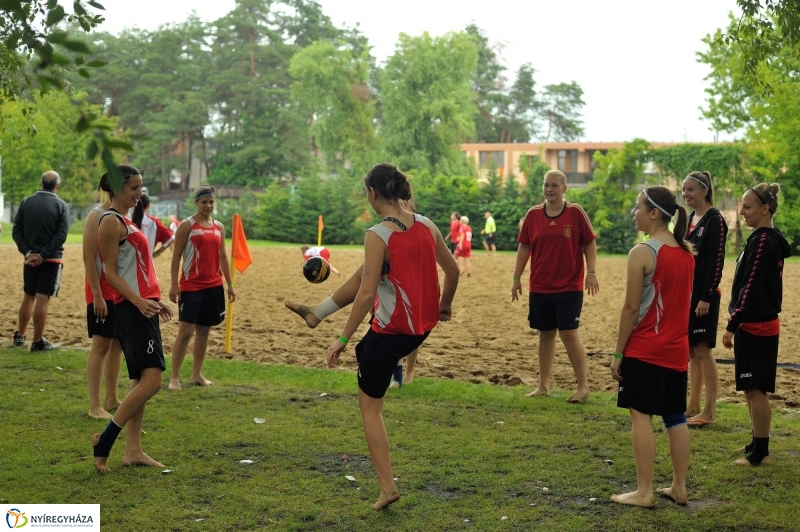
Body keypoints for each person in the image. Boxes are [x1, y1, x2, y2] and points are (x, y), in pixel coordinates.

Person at [325, 163, 459, 510]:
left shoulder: (377, 234)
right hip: (420, 330)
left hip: (391, 332)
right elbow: (453, 270)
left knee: (370, 407)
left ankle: (387, 488)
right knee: (366, 347)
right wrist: (444, 305)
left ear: (372, 193)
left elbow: (367, 295)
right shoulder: (427, 225)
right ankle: (318, 310)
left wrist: (339, 339)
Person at [610, 186, 695, 507]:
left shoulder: (643, 252)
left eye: (638, 208)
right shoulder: (687, 253)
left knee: (641, 416)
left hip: (646, 350)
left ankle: (644, 492)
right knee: (675, 417)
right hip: (675, 351)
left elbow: (630, 309)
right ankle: (679, 487)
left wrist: (618, 354)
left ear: (654, 213)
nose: (634, 213)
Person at [92, 165, 173, 473]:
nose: (139, 193)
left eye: (140, 187)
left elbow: (134, 270)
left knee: (143, 380)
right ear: (116, 189)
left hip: (142, 305)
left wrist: (153, 299)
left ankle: (133, 450)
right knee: (152, 381)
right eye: (133, 188)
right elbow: (110, 274)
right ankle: (106, 441)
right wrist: (139, 301)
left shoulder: (127, 220)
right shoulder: (110, 222)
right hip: (132, 309)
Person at [511, 169, 598, 403]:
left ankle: (583, 386)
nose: (549, 189)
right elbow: (524, 248)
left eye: (554, 186)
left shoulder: (575, 212)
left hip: (569, 287)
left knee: (569, 333)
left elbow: (589, 243)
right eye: (546, 185)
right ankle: (543, 386)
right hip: (540, 286)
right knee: (545, 334)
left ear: (564, 188)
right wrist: (516, 278)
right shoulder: (532, 215)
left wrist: (591, 272)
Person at [722, 183, 791, 466]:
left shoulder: (764, 241)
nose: (741, 212)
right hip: (753, 324)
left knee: (756, 389)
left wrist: (732, 322)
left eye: (747, 207)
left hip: (757, 325)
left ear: (765, 209)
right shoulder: (762, 238)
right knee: (751, 388)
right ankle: (755, 443)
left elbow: (750, 287)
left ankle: (760, 454)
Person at [286, 265, 421, 385]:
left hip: (409, 287)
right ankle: (397, 378)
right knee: (394, 332)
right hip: (396, 285)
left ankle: (405, 375)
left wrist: (443, 300)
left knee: (401, 331)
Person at [168, 185, 236, 390]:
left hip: (213, 286)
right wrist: (174, 285)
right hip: (191, 286)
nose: (208, 205)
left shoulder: (219, 227)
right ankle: (174, 377)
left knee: (204, 331)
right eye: (204, 202)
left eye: (211, 202)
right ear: (196, 203)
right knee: (186, 331)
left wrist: (230, 284)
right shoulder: (187, 225)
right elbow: (176, 256)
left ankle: (197, 374)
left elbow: (223, 256)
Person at [682, 171, 728, 426]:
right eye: (683, 189)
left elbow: (716, 262)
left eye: (690, 190)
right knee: (691, 351)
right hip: (689, 294)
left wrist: (706, 297)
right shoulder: (690, 218)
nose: (685, 194)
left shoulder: (715, 220)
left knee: (703, 350)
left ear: (704, 191)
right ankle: (693, 405)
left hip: (704, 296)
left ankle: (709, 412)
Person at [12, 171, 69, 352]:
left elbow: (16, 231)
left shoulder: (26, 202)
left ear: (41, 183)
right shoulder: (61, 205)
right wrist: (43, 255)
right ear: (57, 186)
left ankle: (20, 336)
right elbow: (61, 236)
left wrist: (29, 252)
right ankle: (37, 341)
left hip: (29, 259)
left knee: (28, 296)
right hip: (51, 259)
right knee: (42, 298)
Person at [83, 189, 123, 419]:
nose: (137, 193)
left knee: (116, 343)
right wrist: (97, 295)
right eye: (133, 188)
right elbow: (89, 257)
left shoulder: (122, 217)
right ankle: (94, 406)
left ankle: (111, 398)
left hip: (118, 291)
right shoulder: (96, 215)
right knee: (101, 345)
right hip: (101, 290)